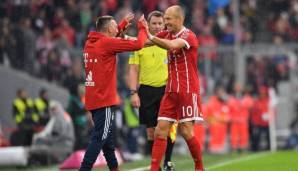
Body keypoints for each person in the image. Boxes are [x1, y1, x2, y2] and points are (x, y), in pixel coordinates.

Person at [79, 13, 148, 171]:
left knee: (108, 142)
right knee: (100, 138)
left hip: (93, 99)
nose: (118, 27)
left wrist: (122, 23)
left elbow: (110, 38)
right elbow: (139, 44)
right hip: (104, 101)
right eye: (115, 25)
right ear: (109, 28)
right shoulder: (106, 44)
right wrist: (142, 27)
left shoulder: (90, 42)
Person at [145, 5, 204, 171]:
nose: (165, 22)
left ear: (179, 19)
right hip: (170, 91)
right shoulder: (167, 34)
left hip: (187, 90)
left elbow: (171, 45)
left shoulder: (189, 36)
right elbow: (146, 42)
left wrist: (151, 36)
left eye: (168, 19)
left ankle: (199, 167)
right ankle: (154, 168)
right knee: (160, 130)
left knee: (186, 131)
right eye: (165, 18)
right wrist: (123, 37)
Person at [128, 11, 176, 171]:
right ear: (148, 25)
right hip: (146, 91)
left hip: (166, 90)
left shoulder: (170, 42)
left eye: (159, 23)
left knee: (165, 128)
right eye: (153, 23)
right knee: (151, 132)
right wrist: (133, 92)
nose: (157, 26)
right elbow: (133, 69)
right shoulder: (140, 44)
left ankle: (168, 161)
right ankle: (155, 165)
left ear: (164, 25)